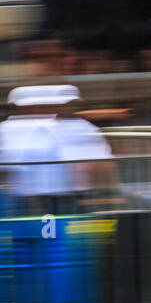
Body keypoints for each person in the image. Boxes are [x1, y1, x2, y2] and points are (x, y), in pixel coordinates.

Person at [0, 85, 115, 216]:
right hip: (22, 199)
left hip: (65, 197)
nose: (43, 110)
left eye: (48, 106)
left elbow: (101, 161)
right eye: (39, 106)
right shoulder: (7, 129)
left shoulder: (78, 127)